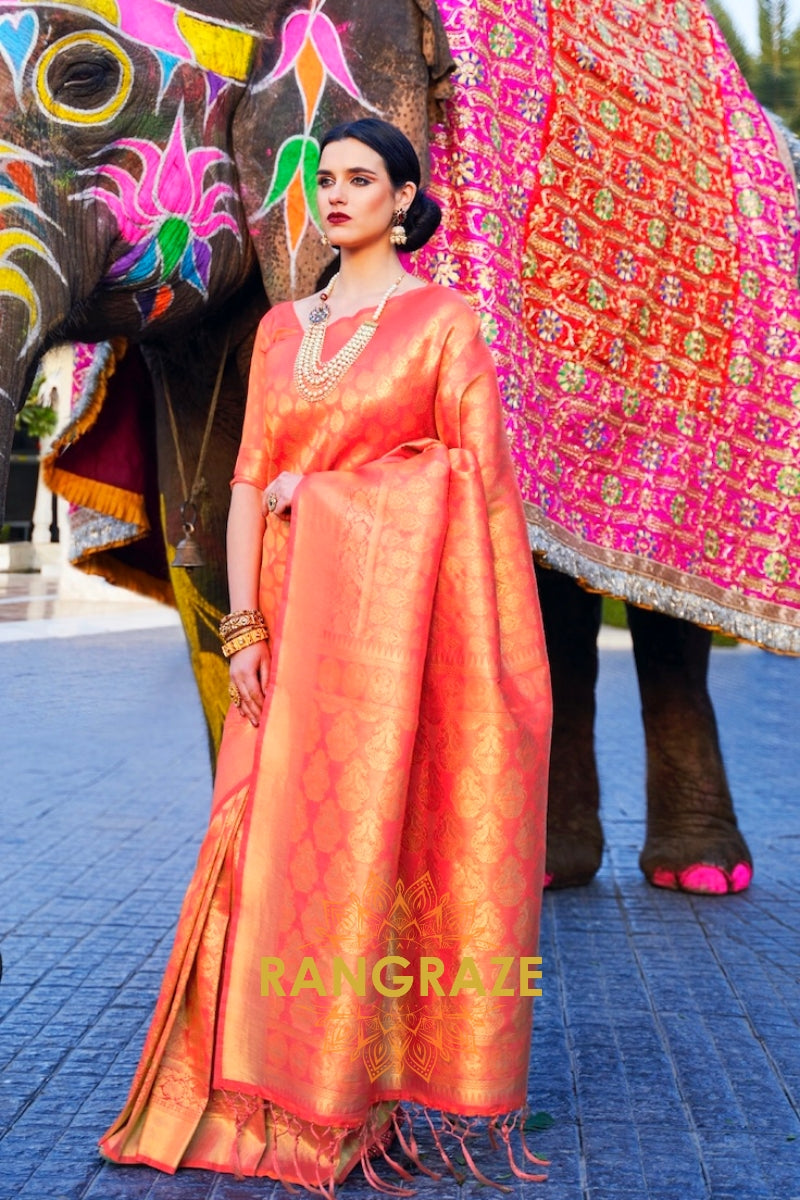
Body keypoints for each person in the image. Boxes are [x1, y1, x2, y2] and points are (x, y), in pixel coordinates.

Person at [99, 118, 552, 1193]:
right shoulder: (278, 333)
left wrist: (340, 494)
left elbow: (472, 485)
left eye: (360, 180)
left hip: (389, 646)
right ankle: (231, 1097)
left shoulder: (443, 324)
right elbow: (252, 476)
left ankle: (347, 1102)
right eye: (324, 179)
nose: (335, 194)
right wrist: (241, 627)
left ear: (403, 201)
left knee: (370, 851)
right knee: (254, 850)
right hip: (283, 634)